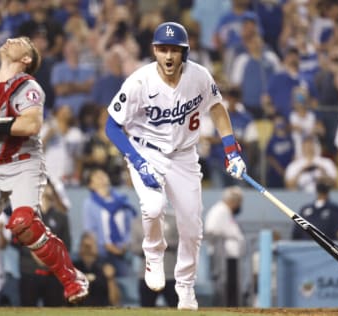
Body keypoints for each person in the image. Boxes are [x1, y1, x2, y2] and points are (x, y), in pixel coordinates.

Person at [105, 22, 247, 311]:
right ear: (154, 50)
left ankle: (185, 288)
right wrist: (137, 160)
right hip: (146, 152)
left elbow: (217, 108)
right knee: (153, 207)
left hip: (184, 156)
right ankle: (153, 256)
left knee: (192, 228)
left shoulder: (199, 76)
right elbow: (111, 126)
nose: (168, 56)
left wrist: (231, 150)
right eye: (163, 49)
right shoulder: (139, 81)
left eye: (175, 50)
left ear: (185, 52)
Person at [0, 36, 88, 309]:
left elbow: (31, 124)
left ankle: (72, 277)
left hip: (24, 161)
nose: (11, 39)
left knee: (24, 224)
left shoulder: (28, 86)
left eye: (20, 41)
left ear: (27, 60)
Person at [18, 180, 72, 307]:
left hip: (53, 275)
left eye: (48, 185)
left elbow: (66, 245)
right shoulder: (25, 215)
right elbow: (17, 241)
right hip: (30, 272)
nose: (47, 188)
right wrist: (37, 254)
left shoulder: (61, 217)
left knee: (55, 310)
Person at [83, 168, 136, 277]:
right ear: (91, 185)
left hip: (124, 252)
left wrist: (125, 245)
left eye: (103, 174)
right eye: (97, 176)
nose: (101, 177)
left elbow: (131, 225)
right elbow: (90, 230)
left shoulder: (122, 201)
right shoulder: (89, 204)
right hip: (101, 253)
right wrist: (106, 245)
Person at [204, 186, 245, 307]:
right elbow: (211, 230)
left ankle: (231, 308)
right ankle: (224, 308)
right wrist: (226, 236)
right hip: (223, 256)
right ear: (233, 201)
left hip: (230, 256)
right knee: (225, 286)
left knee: (232, 286)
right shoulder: (219, 210)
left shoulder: (226, 211)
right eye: (238, 202)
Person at [131, 211, 178, 307]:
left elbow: (181, 242)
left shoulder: (174, 220)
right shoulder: (137, 222)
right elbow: (134, 247)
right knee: (146, 308)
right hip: (147, 274)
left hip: (170, 274)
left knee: (176, 307)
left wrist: (162, 243)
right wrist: (150, 245)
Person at [73, 232, 121, 306]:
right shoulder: (73, 269)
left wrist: (110, 278)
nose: (88, 250)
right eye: (85, 246)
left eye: (90, 246)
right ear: (80, 247)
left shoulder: (105, 267)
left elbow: (114, 301)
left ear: (97, 247)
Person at [291, 177, 338, 241]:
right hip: (306, 247)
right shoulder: (305, 209)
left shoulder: (336, 210)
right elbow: (296, 232)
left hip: (326, 246)